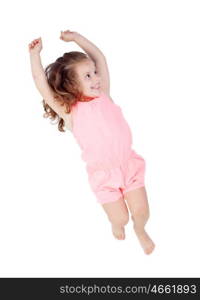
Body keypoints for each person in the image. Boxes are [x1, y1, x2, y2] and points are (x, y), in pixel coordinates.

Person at [28, 30, 155, 255]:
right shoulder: (69, 112)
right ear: (71, 85)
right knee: (120, 217)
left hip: (129, 164)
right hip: (103, 176)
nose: (96, 78)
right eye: (87, 76)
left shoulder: (103, 94)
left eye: (94, 73)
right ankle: (118, 225)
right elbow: (41, 84)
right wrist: (34, 55)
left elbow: (100, 58)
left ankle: (140, 228)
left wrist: (77, 38)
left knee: (142, 211)